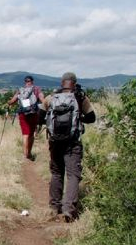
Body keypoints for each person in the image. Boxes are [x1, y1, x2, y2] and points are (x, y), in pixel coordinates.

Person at [38, 72, 96, 222]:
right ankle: (69, 210)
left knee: (57, 173)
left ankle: (54, 207)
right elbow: (92, 118)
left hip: (55, 142)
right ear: (74, 83)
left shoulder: (51, 98)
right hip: (73, 142)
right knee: (73, 175)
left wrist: (52, 125)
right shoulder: (80, 97)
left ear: (62, 83)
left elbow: (39, 117)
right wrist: (79, 119)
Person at [8, 75, 44, 160]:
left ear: (25, 82)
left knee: (25, 135)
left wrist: (9, 102)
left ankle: (25, 155)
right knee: (31, 134)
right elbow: (42, 99)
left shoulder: (20, 90)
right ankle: (29, 153)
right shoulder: (37, 89)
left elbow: (12, 101)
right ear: (32, 81)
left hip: (23, 115)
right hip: (33, 114)